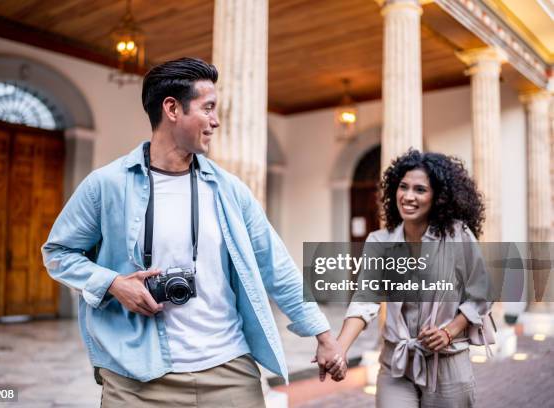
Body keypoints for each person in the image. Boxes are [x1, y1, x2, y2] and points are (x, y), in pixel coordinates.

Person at [42, 57, 343, 407]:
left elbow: (276, 265)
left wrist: (323, 334)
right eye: (208, 108)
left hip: (229, 370)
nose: (216, 121)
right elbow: (58, 253)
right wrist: (113, 283)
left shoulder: (230, 190)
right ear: (172, 108)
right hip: (136, 379)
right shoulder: (106, 185)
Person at [329, 149, 491, 407]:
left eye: (420, 189)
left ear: (438, 197)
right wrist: (339, 349)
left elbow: (481, 293)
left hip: (447, 364)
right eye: (403, 187)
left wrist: (449, 332)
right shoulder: (379, 242)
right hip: (396, 363)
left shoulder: (457, 235)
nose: (408, 196)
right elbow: (364, 301)